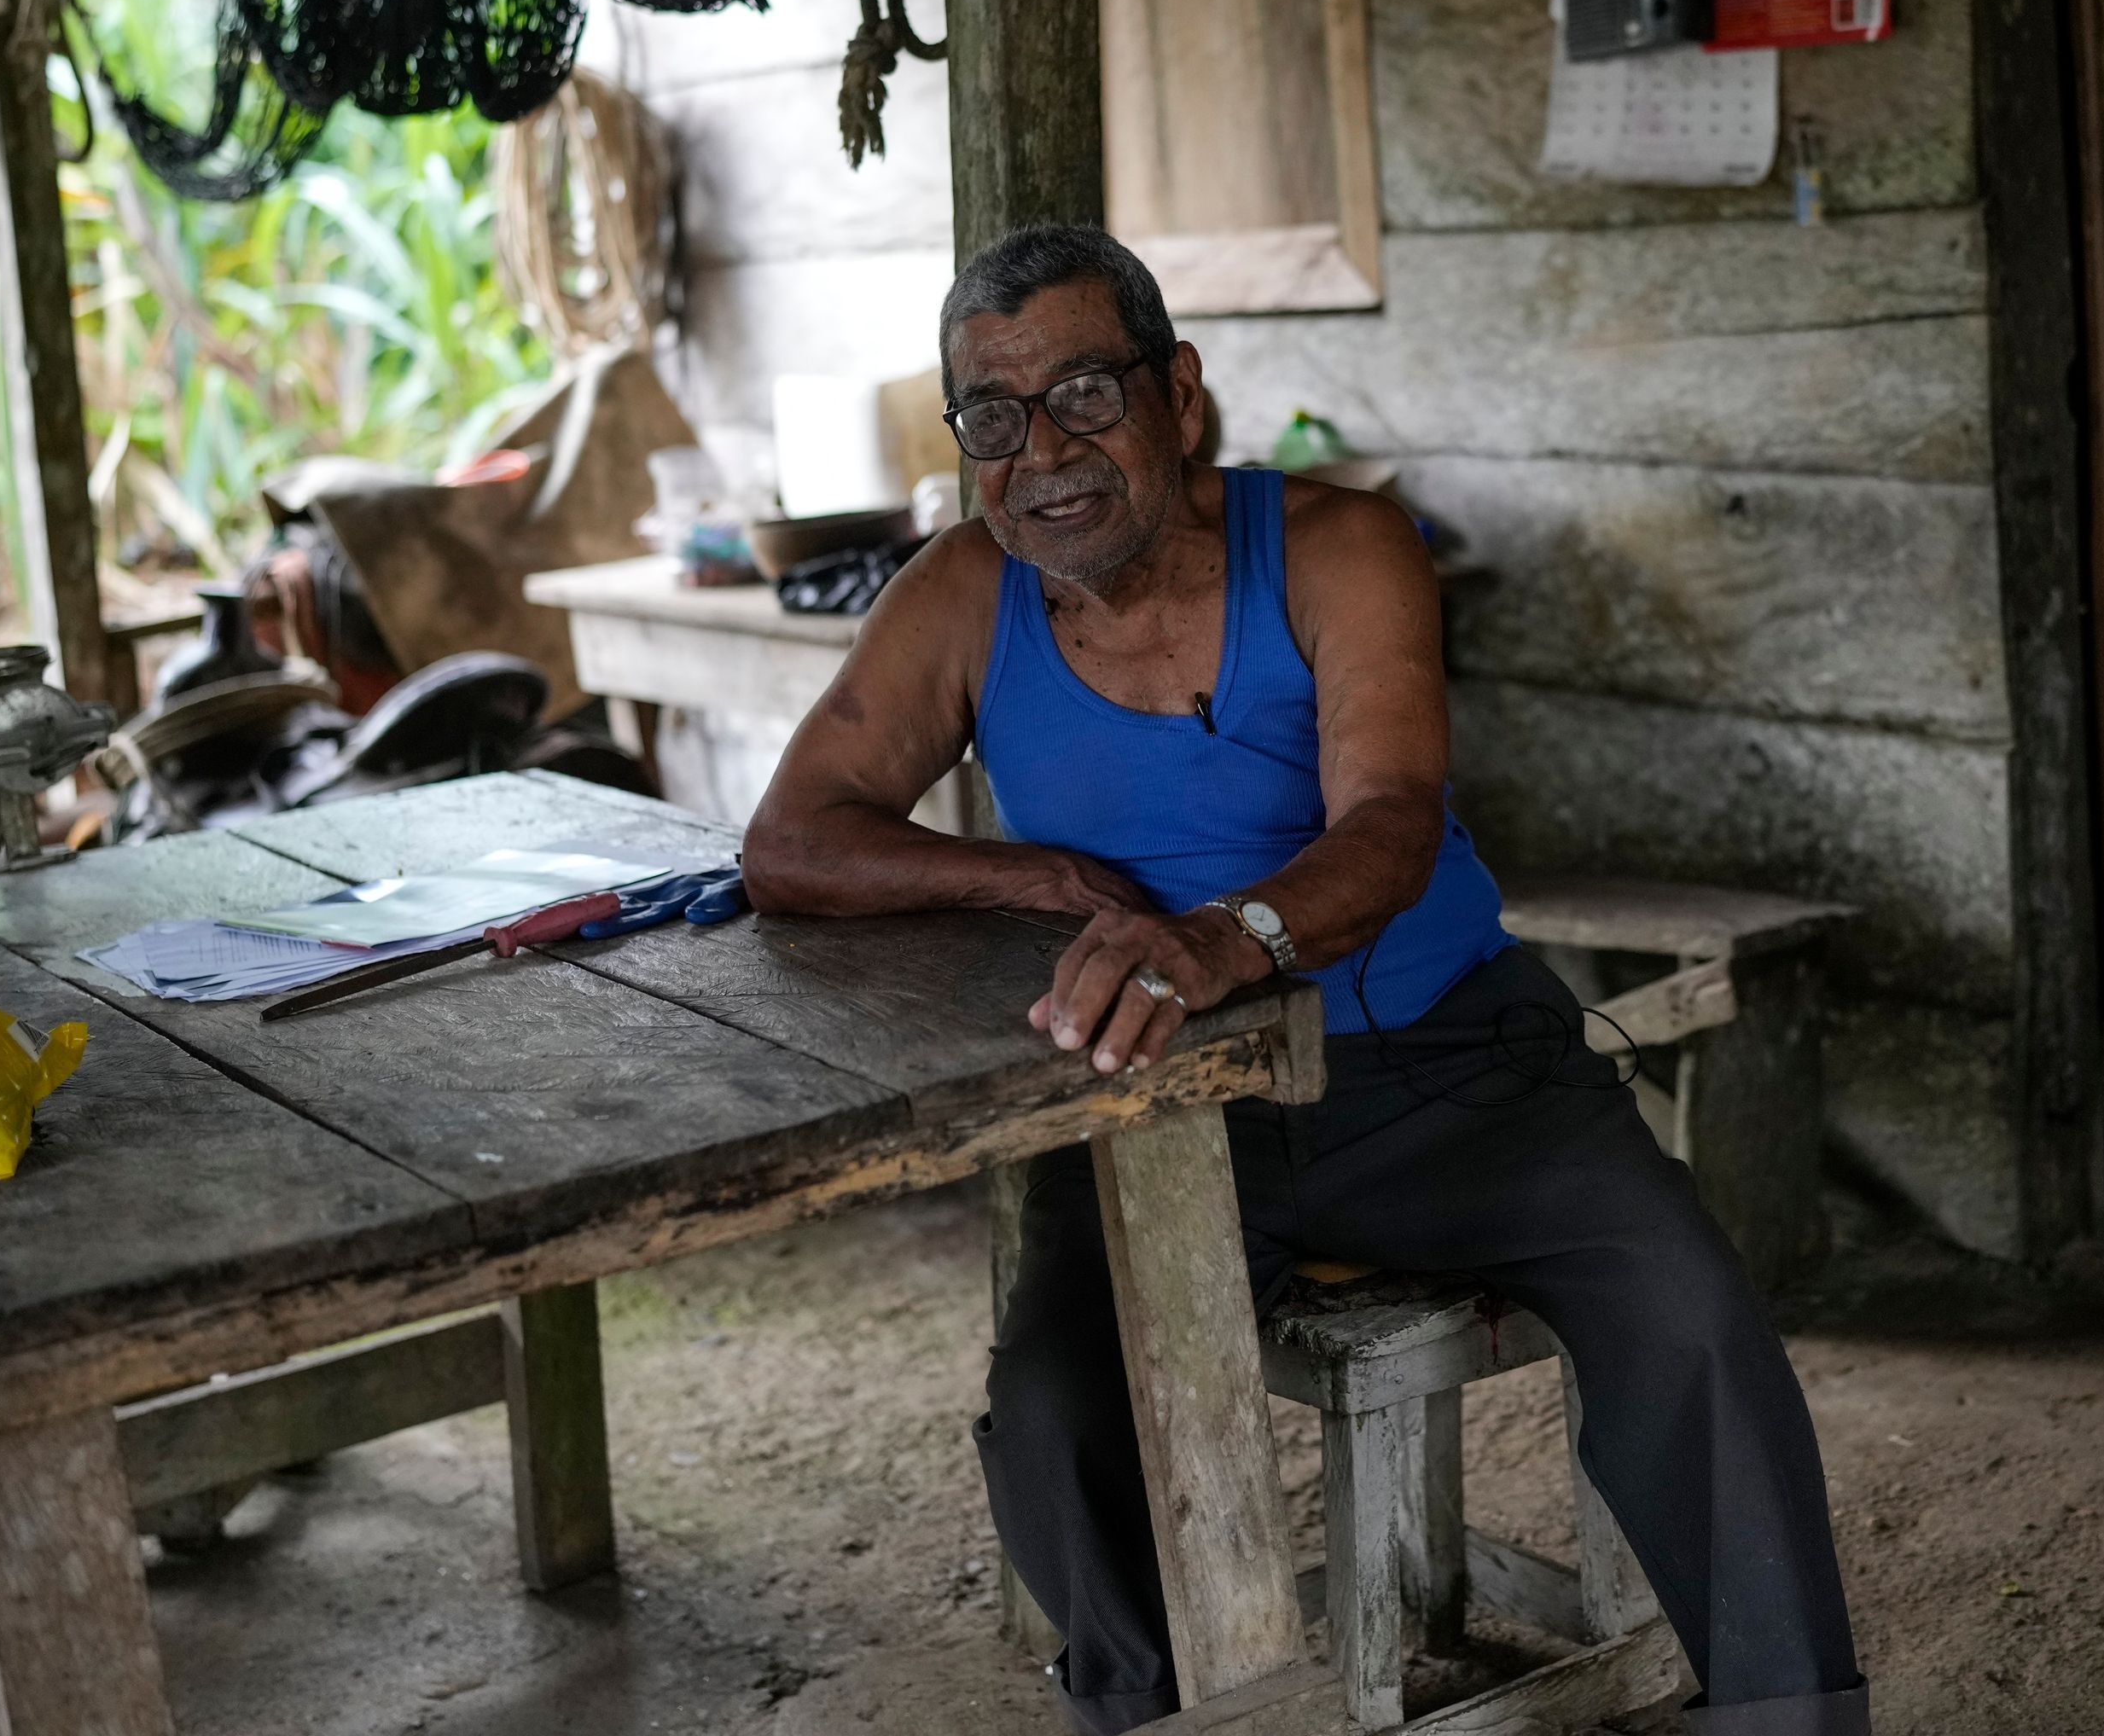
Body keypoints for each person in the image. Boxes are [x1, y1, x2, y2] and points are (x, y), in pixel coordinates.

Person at [743, 224, 1872, 1735]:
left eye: (1084, 394)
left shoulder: (1340, 549)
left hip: (1452, 1070)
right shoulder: (964, 595)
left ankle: (1792, 1718)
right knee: (1060, 1418)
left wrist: (1223, 938)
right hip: (1167, 1119)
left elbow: (1394, 825)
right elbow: (792, 843)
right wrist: (1038, 880)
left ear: (1178, 396)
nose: (1043, 455)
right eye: (993, 419)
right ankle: (1151, 1718)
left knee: (1689, 1321)